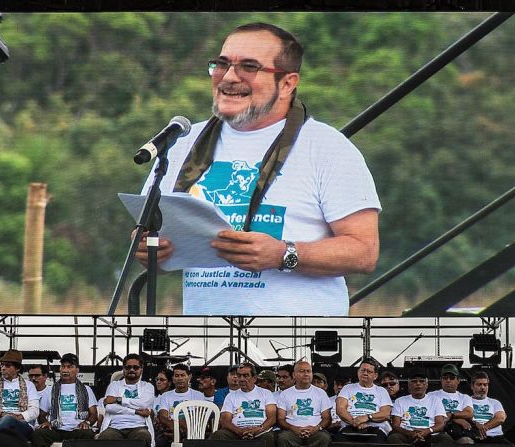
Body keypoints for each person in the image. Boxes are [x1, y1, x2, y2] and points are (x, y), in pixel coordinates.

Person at [136, 22, 381, 317]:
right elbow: (149, 237)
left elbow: (364, 252)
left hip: (298, 345)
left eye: (249, 67)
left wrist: (283, 254)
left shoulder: (328, 147)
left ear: (288, 83)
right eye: (222, 64)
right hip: (204, 340)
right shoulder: (180, 143)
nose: (228, 77)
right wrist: (150, 251)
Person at [31, 353, 98, 447]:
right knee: (38, 434)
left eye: (69, 367)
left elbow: (94, 414)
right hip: (56, 429)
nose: (65, 370)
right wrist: (45, 422)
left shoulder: (86, 389)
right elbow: (41, 414)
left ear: (77, 370)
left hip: (77, 429)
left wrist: (86, 422)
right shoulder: (51, 389)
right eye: (63, 366)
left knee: (88, 434)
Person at [210, 362, 277, 447]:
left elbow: (272, 418)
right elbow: (225, 420)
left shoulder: (266, 393)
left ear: (254, 378)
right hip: (236, 432)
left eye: (245, 376)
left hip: (260, 430)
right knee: (219, 435)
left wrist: (258, 429)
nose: (241, 379)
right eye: (239, 375)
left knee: (268, 437)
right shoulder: (231, 396)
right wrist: (239, 431)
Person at [97, 353, 155, 446]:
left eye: (136, 367)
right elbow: (110, 408)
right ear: (123, 369)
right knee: (105, 437)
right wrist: (136, 411)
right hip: (115, 427)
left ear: (141, 370)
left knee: (143, 436)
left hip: (139, 427)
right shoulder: (114, 385)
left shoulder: (147, 386)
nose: (132, 370)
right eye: (128, 367)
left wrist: (118, 400)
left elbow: (143, 404)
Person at [0, 349, 39, 441]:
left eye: (7, 365)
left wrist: (15, 417)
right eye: (2, 365)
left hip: (22, 425)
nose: (3, 368)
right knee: (6, 423)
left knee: (8, 420)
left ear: (18, 368)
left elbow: (34, 411)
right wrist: (1, 414)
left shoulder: (29, 385)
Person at [388, 368, 451, 446]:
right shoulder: (400, 401)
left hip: (430, 434)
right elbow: (395, 425)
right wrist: (411, 433)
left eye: (422, 381)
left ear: (427, 384)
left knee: (445, 438)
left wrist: (427, 431)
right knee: (394, 438)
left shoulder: (435, 400)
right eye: (414, 381)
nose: (418, 384)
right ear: (409, 385)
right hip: (407, 434)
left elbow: (440, 424)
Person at [276, 361, 332, 447]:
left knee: (324, 437)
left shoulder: (321, 393)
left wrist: (316, 428)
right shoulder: (285, 394)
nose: (306, 374)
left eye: (308, 371)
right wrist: (293, 428)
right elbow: (280, 419)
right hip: (292, 432)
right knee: (283, 438)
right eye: (302, 371)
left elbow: (327, 418)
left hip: (315, 432)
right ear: (294, 375)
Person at [336, 358, 391, 443]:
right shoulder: (347, 388)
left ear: (375, 376)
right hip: (350, 426)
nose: (365, 373)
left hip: (375, 428)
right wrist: (355, 422)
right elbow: (340, 409)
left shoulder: (382, 391)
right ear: (358, 372)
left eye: (369, 371)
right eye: (363, 370)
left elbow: (385, 414)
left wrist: (367, 417)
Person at [158, 364, 205, 445]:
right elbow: (162, 416)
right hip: (171, 430)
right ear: (173, 379)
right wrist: (175, 429)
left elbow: (198, 417)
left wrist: (181, 428)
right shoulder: (166, 396)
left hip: (192, 431)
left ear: (189, 377)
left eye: (183, 375)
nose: (180, 378)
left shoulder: (198, 395)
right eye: (176, 376)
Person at [428, 364, 475, 444]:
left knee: (467, 441)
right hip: (437, 433)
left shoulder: (464, 397)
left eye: (452, 378)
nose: (448, 380)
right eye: (445, 378)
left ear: (458, 380)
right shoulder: (431, 395)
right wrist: (455, 419)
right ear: (441, 380)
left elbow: (469, 413)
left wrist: (451, 416)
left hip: (458, 433)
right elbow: (428, 414)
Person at [470, 371, 512, 444]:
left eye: (485, 385)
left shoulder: (495, 402)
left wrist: (481, 429)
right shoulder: (466, 400)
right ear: (472, 386)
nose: (482, 387)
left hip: (496, 437)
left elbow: (500, 418)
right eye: (479, 384)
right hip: (474, 438)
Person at [153, 368, 173, 447]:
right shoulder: (154, 399)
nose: (158, 382)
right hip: (156, 429)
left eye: (162, 380)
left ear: (170, 383)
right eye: (157, 379)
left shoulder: (173, 397)